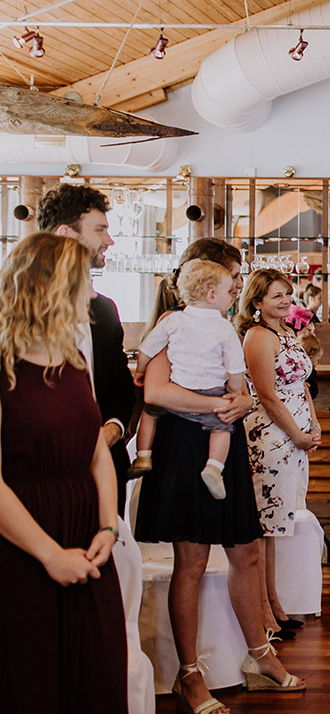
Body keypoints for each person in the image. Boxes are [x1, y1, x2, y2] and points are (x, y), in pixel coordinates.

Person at [135, 239, 304, 714]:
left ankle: (260, 656)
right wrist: (222, 405)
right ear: (206, 280)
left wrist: (243, 401)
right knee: (191, 559)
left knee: (247, 549)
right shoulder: (173, 327)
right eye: (233, 277)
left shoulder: (218, 326)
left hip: (221, 441)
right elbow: (157, 391)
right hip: (187, 446)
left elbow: (241, 386)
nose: (237, 285)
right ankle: (190, 674)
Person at [0, 234, 127, 713]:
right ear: (49, 288)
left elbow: (95, 451)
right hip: (24, 544)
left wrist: (109, 525)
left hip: (87, 536)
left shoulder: (73, 361)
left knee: (99, 673)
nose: (93, 295)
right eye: (84, 282)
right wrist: (50, 555)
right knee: (31, 678)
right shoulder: (3, 367)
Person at [36, 184, 135, 518]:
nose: (109, 240)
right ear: (67, 235)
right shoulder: (18, 312)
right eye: (100, 229)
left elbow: (121, 385)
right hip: (39, 471)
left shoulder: (104, 310)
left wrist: (111, 431)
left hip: (105, 463)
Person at [235, 269, 319, 638]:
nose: (286, 300)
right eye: (275, 296)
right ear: (256, 302)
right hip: (270, 437)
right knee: (264, 527)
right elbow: (266, 396)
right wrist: (296, 435)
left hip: (295, 436)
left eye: (287, 293)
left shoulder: (288, 332)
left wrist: (313, 427)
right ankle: (265, 612)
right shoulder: (258, 337)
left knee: (277, 524)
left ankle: (275, 603)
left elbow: (301, 386)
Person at [129, 260, 247, 500]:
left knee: (149, 413)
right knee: (223, 428)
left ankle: (143, 455)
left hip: (177, 394)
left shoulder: (173, 320)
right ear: (212, 295)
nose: (233, 295)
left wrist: (140, 371)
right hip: (212, 394)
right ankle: (214, 466)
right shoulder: (224, 328)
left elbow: (148, 348)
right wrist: (236, 393)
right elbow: (235, 367)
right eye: (228, 291)